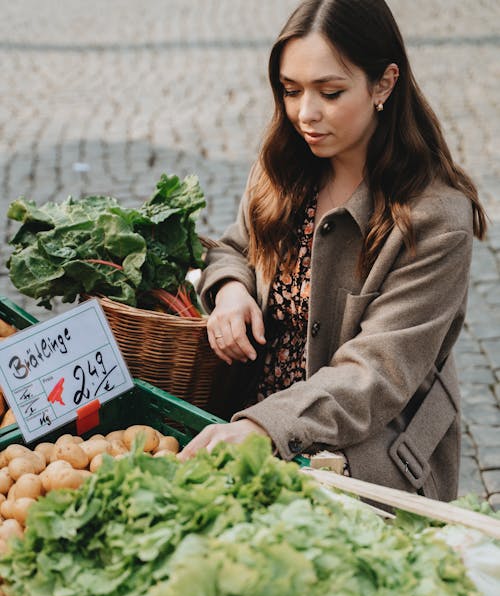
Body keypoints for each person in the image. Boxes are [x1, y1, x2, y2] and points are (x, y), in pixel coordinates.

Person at [179, 0, 487, 501]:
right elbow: (233, 247)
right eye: (291, 90)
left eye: (330, 92)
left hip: (362, 458)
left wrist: (264, 429)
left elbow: (375, 374)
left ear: (384, 84)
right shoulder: (284, 166)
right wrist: (232, 290)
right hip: (249, 428)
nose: (305, 113)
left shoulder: (435, 219)